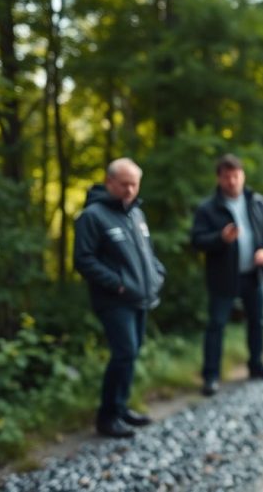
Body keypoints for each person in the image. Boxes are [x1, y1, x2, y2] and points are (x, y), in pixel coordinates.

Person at [74, 158, 166, 439]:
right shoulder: (93, 216)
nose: (129, 189)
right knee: (124, 352)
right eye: (123, 184)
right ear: (109, 182)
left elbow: (147, 252)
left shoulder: (136, 214)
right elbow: (83, 260)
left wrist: (158, 274)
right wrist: (118, 284)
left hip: (141, 297)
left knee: (131, 353)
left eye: (134, 184)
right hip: (114, 300)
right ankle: (107, 417)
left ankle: (121, 408)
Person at [190, 154, 263, 396]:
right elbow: (196, 240)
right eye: (227, 177)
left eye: (236, 176)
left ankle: (257, 366)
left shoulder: (257, 202)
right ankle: (211, 376)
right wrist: (220, 239)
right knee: (216, 326)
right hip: (222, 278)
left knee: (258, 322)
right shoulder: (208, 208)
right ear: (219, 179)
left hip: (254, 275)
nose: (232, 181)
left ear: (243, 176)